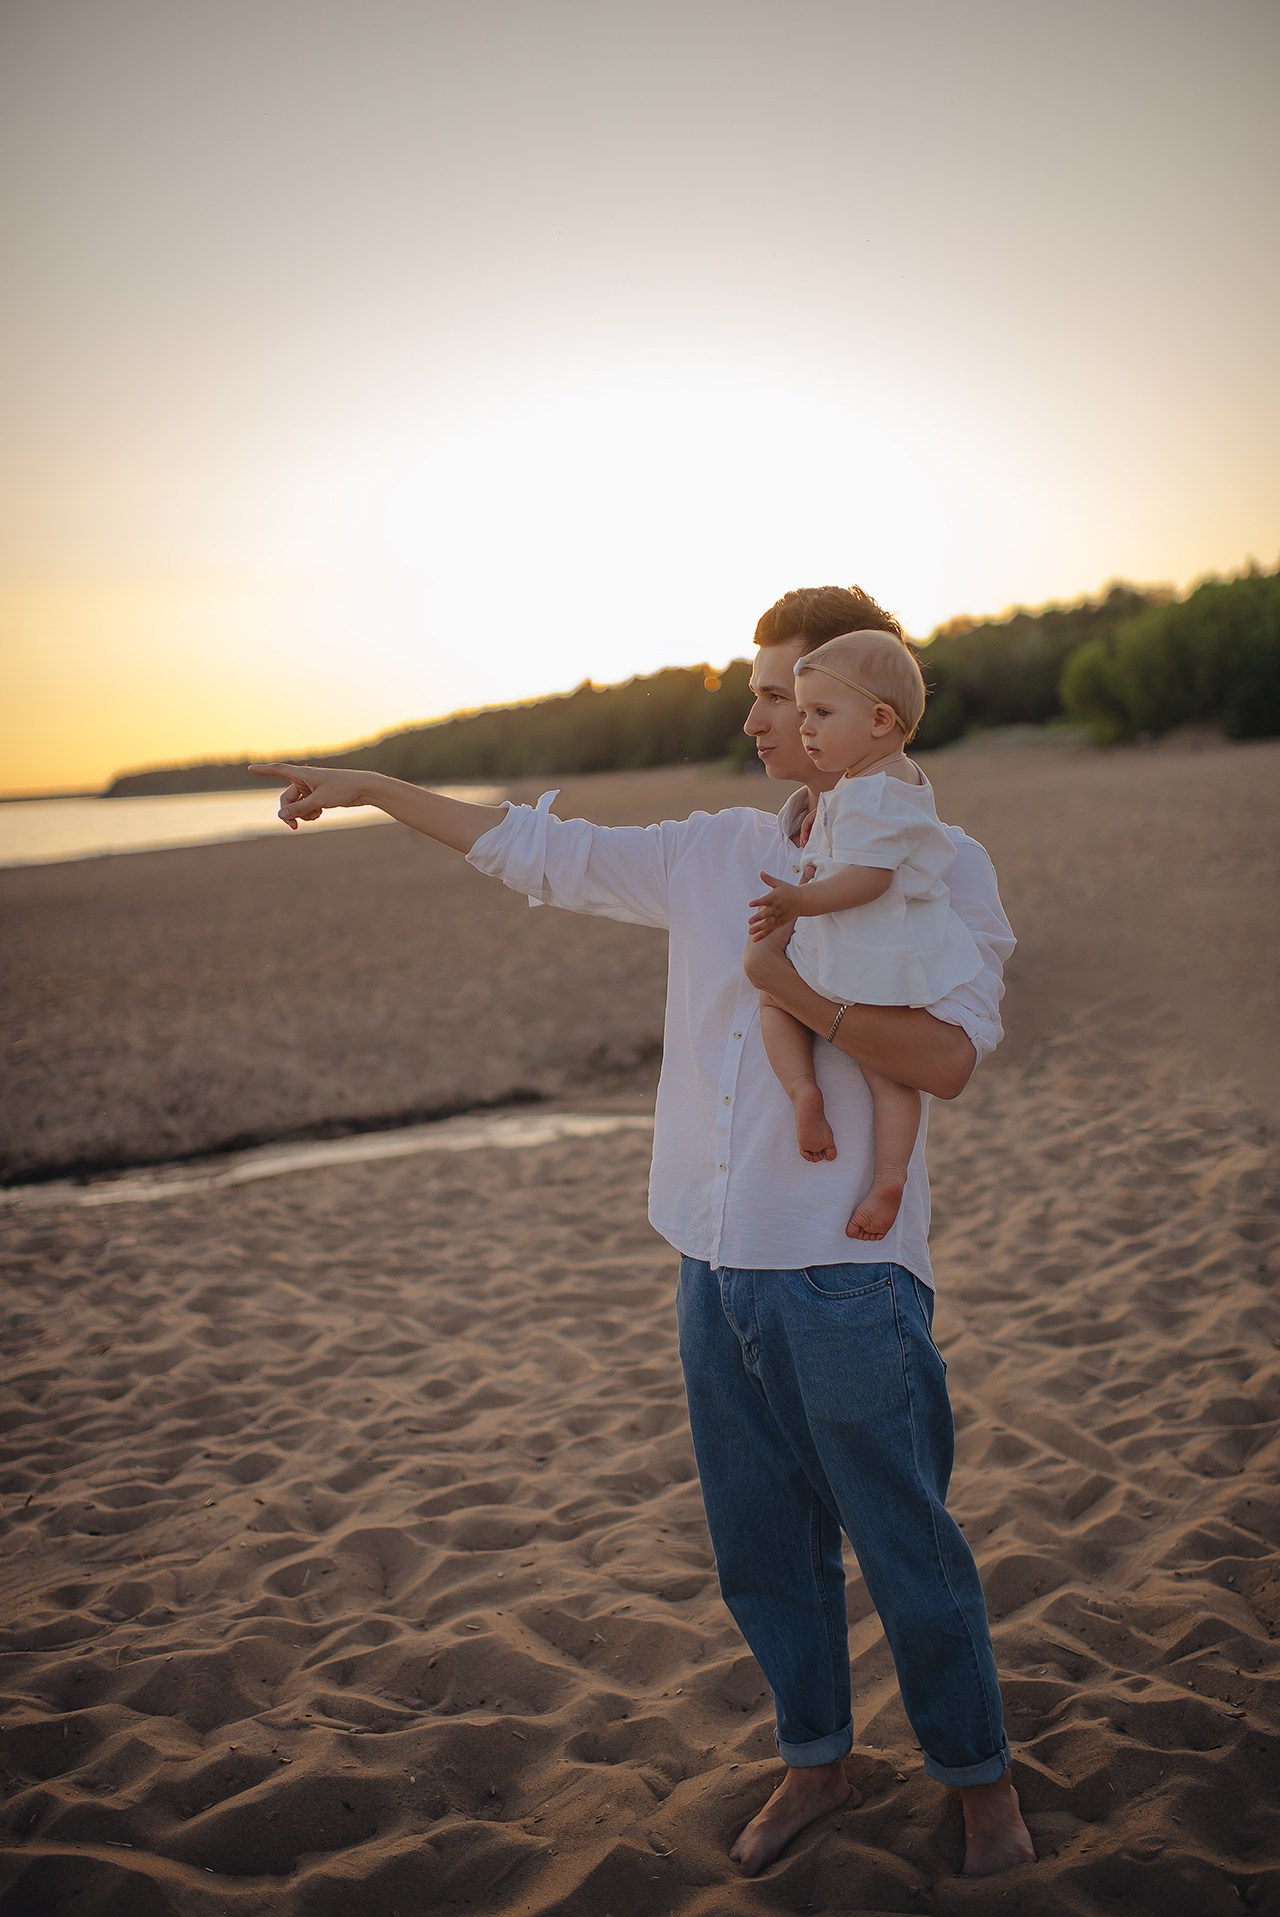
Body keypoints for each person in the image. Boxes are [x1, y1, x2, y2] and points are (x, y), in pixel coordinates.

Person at [250, 582, 1035, 1880]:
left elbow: (948, 1061)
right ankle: (816, 1761)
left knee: (909, 1546)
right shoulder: (714, 852)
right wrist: (380, 785)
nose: (759, 713)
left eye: (785, 692)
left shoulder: (936, 862)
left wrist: (795, 994)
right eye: (767, 690)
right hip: (707, 1264)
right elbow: (534, 853)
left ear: (860, 710)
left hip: (846, 1273)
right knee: (762, 1548)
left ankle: (980, 1781)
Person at [748, 628, 983, 1241]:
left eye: (821, 714)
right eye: (803, 714)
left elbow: (869, 880)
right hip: (883, 953)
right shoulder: (893, 782)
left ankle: (803, 1090)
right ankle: (889, 1175)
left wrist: (799, 898)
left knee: (776, 998)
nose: (805, 729)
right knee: (888, 1077)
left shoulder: (869, 794)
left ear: (880, 719)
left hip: (855, 945)